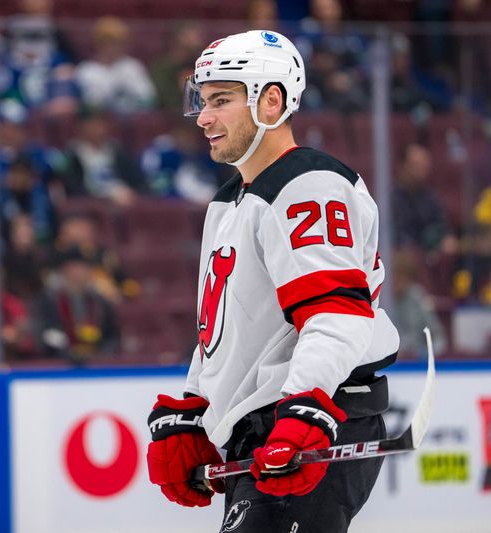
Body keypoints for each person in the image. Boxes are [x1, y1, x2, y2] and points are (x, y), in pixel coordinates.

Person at [146, 31, 400, 532]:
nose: (203, 117)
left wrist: (306, 406)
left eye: (221, 100)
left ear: (271, 99)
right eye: (201, 100)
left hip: (311, 423)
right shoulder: (229, 202)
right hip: (266, 432)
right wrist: (198, 408)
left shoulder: (309, 186)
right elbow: (222, 331)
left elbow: (334, 314)